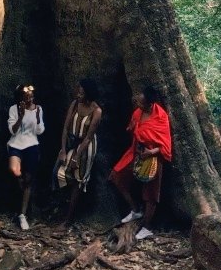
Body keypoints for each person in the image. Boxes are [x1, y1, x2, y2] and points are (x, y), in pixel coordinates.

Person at [109, 84, 171, 241]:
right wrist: (132, 128)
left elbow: (165, 143)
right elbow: (135, 127)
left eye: (142, 103)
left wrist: (151, 152)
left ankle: (147, 227)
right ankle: (135, 209)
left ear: (150, 104)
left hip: (152, 157)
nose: (138, 105)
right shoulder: (138, 112)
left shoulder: (160, 116)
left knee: (151, 194)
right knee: (117, 175)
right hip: (136, 152)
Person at [54, 78, 102, 230]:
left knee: (79, 180)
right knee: (59, 173)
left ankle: (69, 218)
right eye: (78, 91)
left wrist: (76, 156)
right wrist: (62, 150)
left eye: (82, 92)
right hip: (71, 143)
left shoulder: (97, 111)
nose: (79, 94)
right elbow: (65, 128)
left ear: (89, 94)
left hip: (86, 148)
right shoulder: (75, 104)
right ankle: (62, 209)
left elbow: (88, 137)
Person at [7, 83, 44, 231]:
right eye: (26, 96)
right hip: (16, 144)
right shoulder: (14, 109)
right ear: (21, 97)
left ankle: (22, 215)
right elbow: (13, 130)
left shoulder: (38, 109)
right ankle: (20, 186)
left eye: (31, 95)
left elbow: (40, 131)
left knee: (29, 180)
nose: (29, 98)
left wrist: (37, 118)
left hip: (32, 145)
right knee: (15, 170)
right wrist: (21, 116)